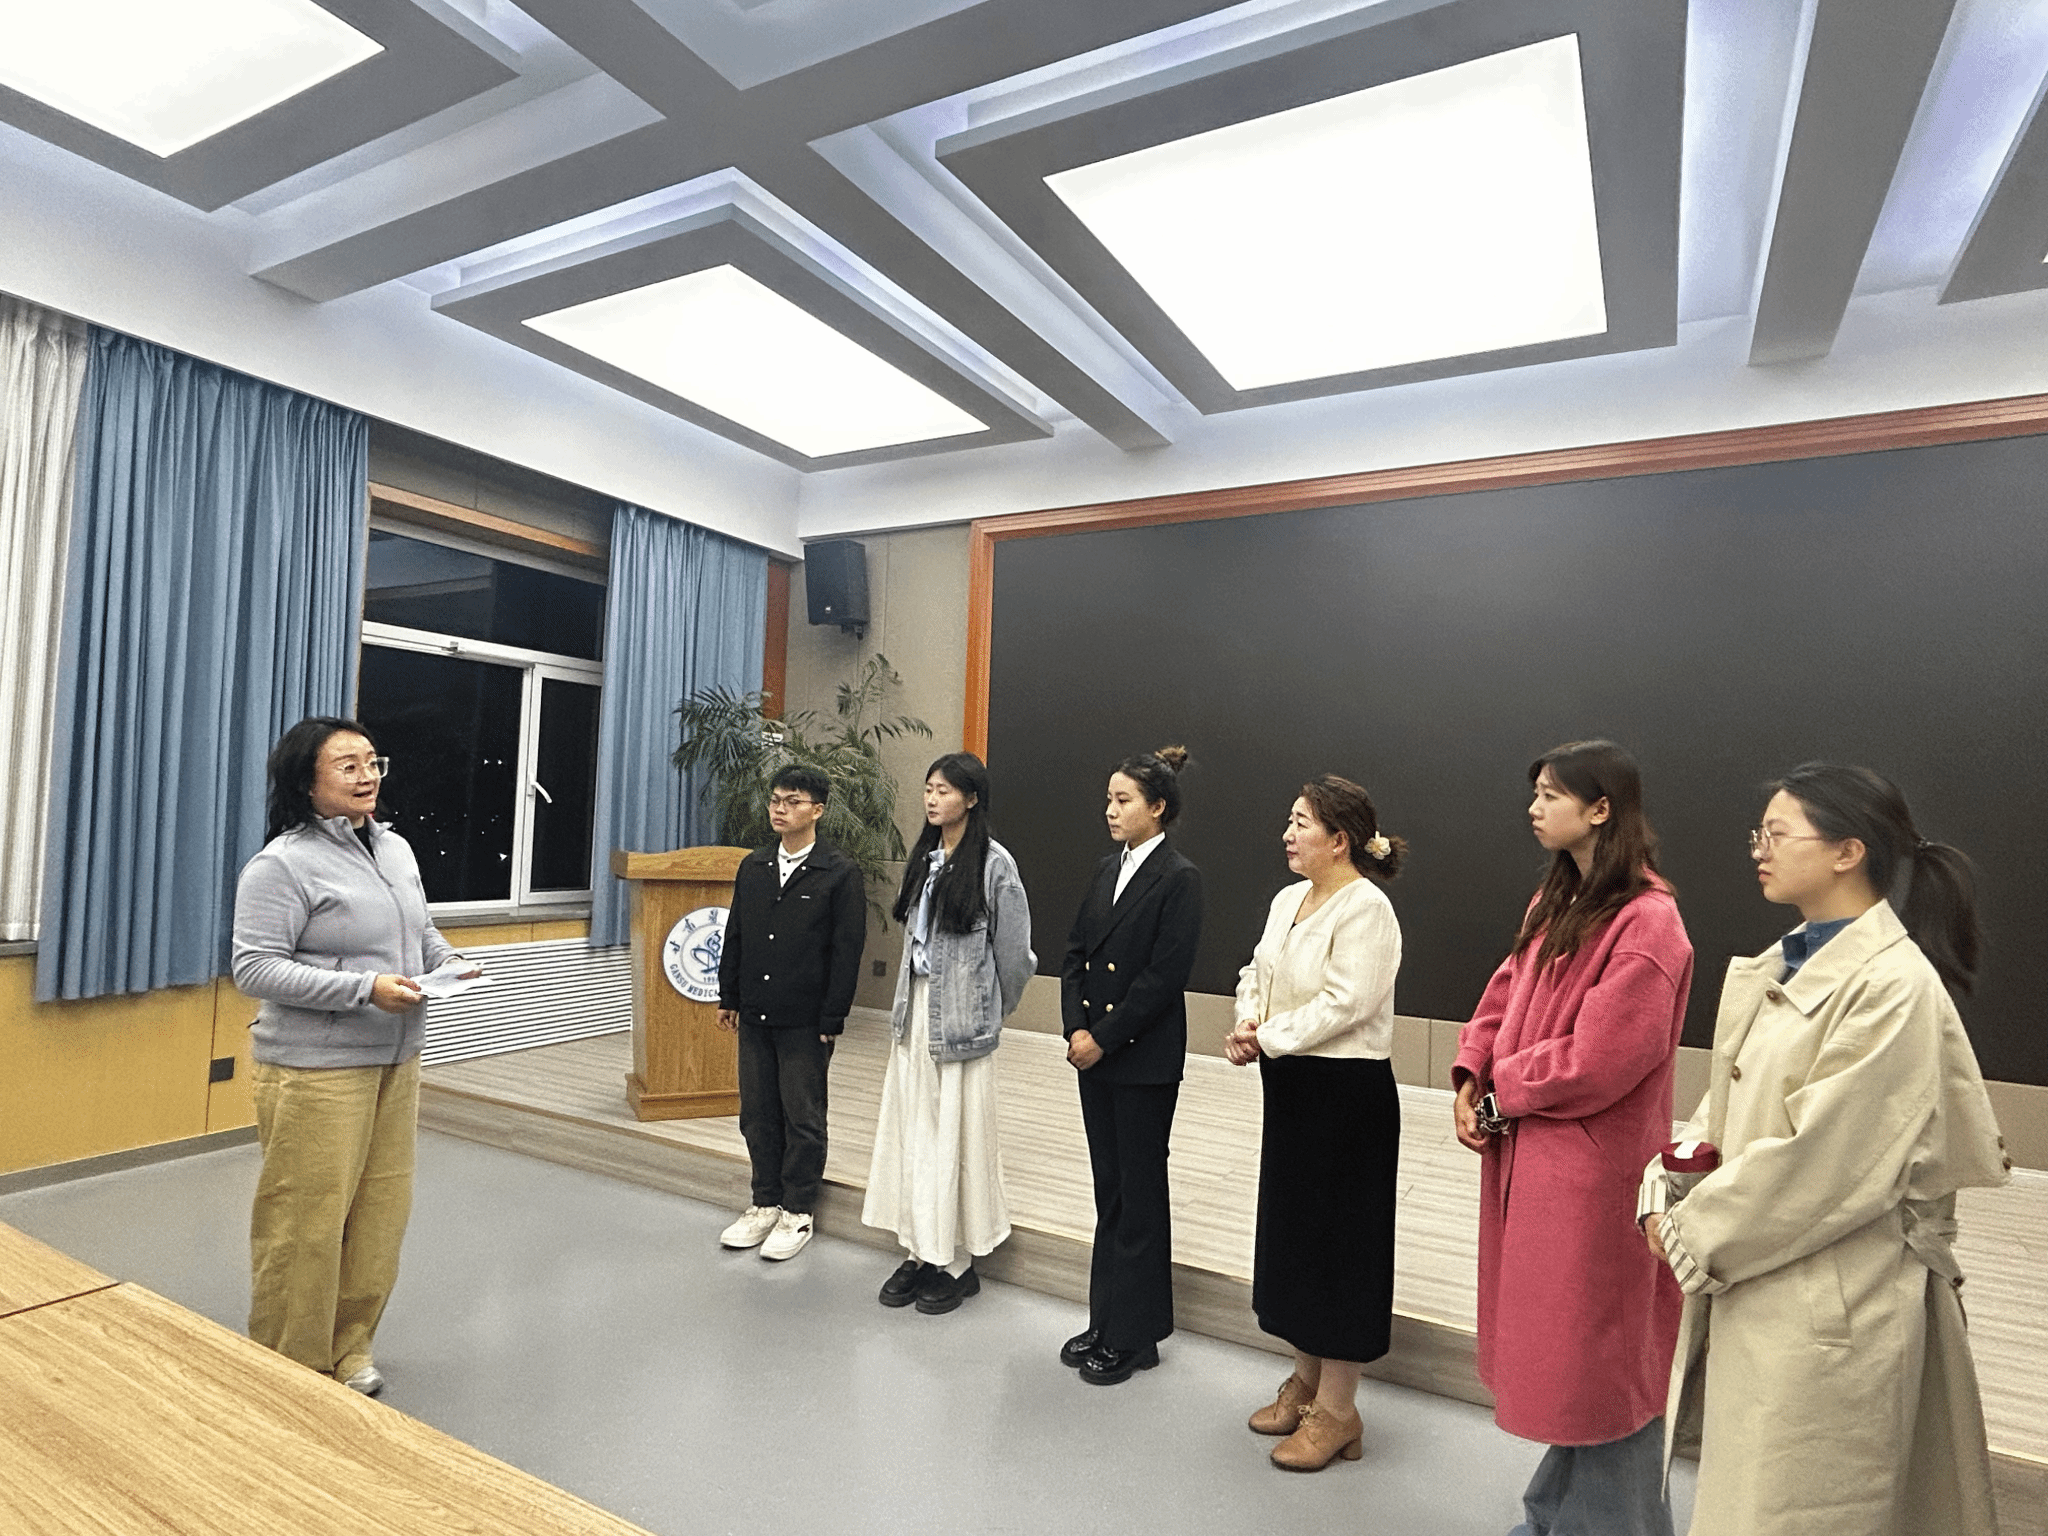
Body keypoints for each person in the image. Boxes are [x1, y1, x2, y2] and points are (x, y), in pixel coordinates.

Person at [1640, 764, 2010, 1536]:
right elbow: (1723, 1108)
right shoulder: (1788, 961)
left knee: (1801, 1509)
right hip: (1768, 1282)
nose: (1759, 850)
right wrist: (1663, 1187)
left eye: (1778, 834)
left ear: (1848, 851)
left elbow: (1825, 1163)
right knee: (1751, 1499)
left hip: (1834, 1303)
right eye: (1760, 834)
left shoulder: (1892, 987)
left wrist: (1686, 1230)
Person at [1451, 740, 1692, 1536]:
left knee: (1603, 1368)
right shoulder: (1556, 900)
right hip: (1537, 1162)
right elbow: (1504, 989)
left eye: (1551, 794)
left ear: (1601, 808)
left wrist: (1505, 1089)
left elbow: (1601, 1058)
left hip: (1593, 1179)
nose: (1534, 807)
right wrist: (1471, 1070)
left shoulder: (1650, 922)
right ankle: (1551, 1519)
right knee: (1571, 1365)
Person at [231, 716, 472, 1396]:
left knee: (379, 1214)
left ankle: (350, 1346)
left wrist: (446, 962)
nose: (367, 776)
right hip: (316, 1068)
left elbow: (418, 928)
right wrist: (365, 989)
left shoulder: (394, 848)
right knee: (306, 1220)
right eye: (348, 766)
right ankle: (290, 1362)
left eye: (372, 762)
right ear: (306, 783)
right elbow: (254, 969)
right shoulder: (282, 864)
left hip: (396, 1059)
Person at [1224, 775, 1405, 1471]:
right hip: (1293, 1086)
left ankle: (1338, 1411)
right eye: (1290, 819)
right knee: (1296, 1238)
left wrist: (1266, 1037)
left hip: (1346, 1096)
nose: (1288, 833)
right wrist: (1248, 1019)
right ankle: (1305, 1385)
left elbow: (1347, 1002)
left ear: (1340, 840)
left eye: (1302, 822)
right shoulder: (1287, 899)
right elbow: (1256, 970)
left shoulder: (1368, 909)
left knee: (1342, 1250)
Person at [862, 752, 1035, 1314]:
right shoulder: (926, 857)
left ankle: (956, 1262)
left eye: (944, 790)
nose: (933, 799)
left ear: (972, 798)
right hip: (914, 1016)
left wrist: (985, 1012)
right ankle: (919, 1249)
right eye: (928, 789)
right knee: (914, 1134)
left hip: (961, 1026)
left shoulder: (995, 865)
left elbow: (1015, 957)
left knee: (956, 1141)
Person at [1058, 746, 1203, 1385]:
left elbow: (1163, 979)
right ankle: (1105, 1319)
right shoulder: (1105, 868)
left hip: (1142, 1058)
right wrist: (1075, 1027)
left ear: (1158, 807)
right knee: (1109, 1189)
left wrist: (1103, 1038)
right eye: (1109, 799)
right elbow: (1075, 955)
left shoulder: (1179, 878)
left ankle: (1136, 1336)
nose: (1110, 810)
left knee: (1140, 1194)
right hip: (1095, 1052)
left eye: (1123, 800)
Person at [714, 764, 867, 1262]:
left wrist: (832, 1018)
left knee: (803, 1117)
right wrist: (729, 995)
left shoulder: (839, 872)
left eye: (792, 801)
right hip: (755, 1010)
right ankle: (764, 1201)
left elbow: (847, 951)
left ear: (817, 810)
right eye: (776, 799)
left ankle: (797, 1210)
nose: (780, 809)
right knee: (757, 1114)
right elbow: (736, 933)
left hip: (805, 1018)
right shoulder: (754, 866)